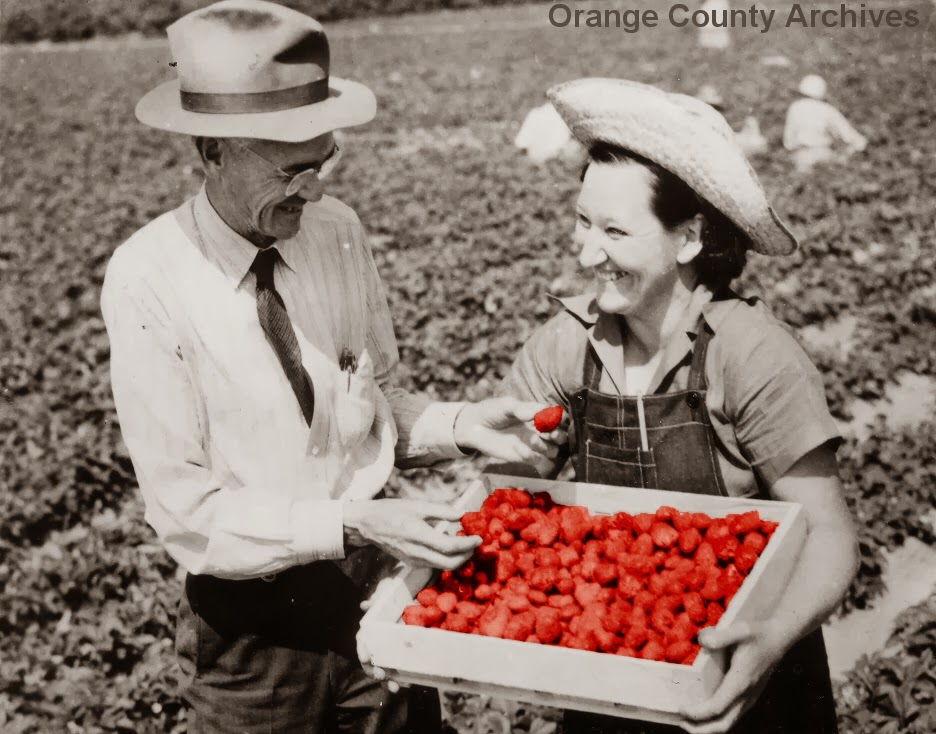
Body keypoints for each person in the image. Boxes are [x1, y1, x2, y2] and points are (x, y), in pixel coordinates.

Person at [100, 2, 559, 733]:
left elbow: (369, 400)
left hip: (375, 586)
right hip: (255, 638)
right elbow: (188, 512)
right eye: (291, 170)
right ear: (212, 151)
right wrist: (351, 519)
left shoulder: (336, 231)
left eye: (323, 162)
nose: (312, 190)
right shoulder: (148, 279)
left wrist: (462, 424)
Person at [502, 78, 860, 734]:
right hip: (612, 663)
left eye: (614, 230)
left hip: (748, 665)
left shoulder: (750, 355)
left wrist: (772, 638)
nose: (586, 251)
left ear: (690, 236)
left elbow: (832, 537)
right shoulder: (563, 348)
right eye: (582, 221)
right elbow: (508, 492)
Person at [783, 74, 868, 172]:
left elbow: (788, 142)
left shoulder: (794, 107)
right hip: (823, 154)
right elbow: (852, 137)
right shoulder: (827, 109)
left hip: (801, 156)